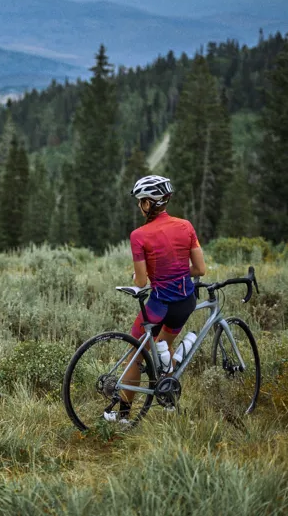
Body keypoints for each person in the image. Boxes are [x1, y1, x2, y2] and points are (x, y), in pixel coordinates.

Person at [107, 175, 207, 423]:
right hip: (185, 302)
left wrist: (149, 275)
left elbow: (141, 282)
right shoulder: (186, 226)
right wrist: (176, 273)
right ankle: (169, 389)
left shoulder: (139, 235)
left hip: (159, 306)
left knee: (135, 355)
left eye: (142, 201)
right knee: (164, 344)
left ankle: (123, 416)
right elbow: (200, 269)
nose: (140, 206)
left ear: (150, 203)